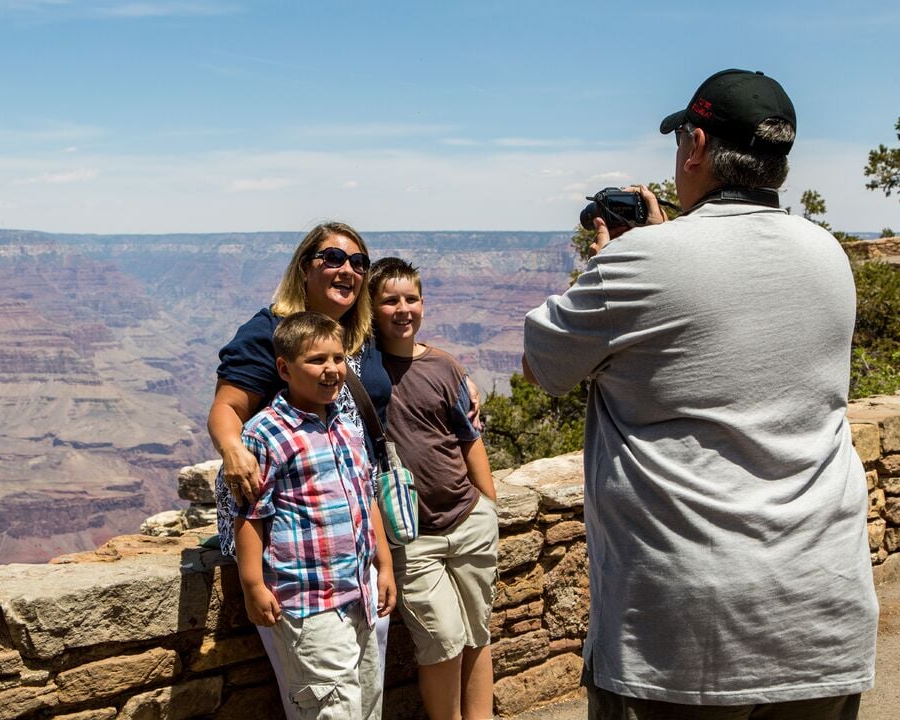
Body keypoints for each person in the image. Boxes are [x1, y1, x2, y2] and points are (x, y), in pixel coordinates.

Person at [521, 68, 878, 719]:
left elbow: (543, 365)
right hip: (824, 615)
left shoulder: (642, 260)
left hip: (685, 639)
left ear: (695, 147)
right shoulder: (829, 255)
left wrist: (618, 259)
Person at [208, 221, 394, 718]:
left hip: (354, 536)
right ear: (304, 267)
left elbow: (389, 378)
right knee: (322, 694)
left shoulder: (358, 331)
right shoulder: (269, 333)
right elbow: (226, 408)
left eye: (359, 262)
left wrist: (457, 375)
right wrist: (234, 450)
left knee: (365, 680)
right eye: (333, 258)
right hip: (289, 537)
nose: (348, 270)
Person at [368, 257, 499, 720]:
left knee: (477, 632)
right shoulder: (360, 370)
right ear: (372, 307)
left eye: (411, 298)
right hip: (412, 536)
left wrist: (489, 508)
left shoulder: (445, 366)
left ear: (423, 303)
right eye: (390, 300)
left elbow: (469, 440)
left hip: (468, 520)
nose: (403, 309)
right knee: (442, 639)